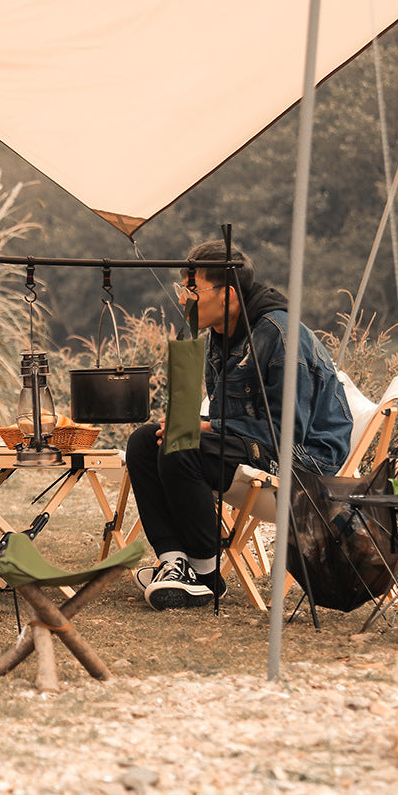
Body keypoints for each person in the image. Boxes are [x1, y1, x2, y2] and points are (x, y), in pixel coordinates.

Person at [126, 240, 352, 611]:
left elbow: (284, 434)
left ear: (228, 294)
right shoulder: (220, 336)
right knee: (144, 440)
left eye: (192, 289)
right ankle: (173, 561)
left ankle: (204, 573)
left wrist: (203, 429)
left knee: (181, 442)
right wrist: (200, 425)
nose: (183, 299)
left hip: (303, 461)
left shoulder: (278, 336)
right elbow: (227, 419)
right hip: (253, 446)